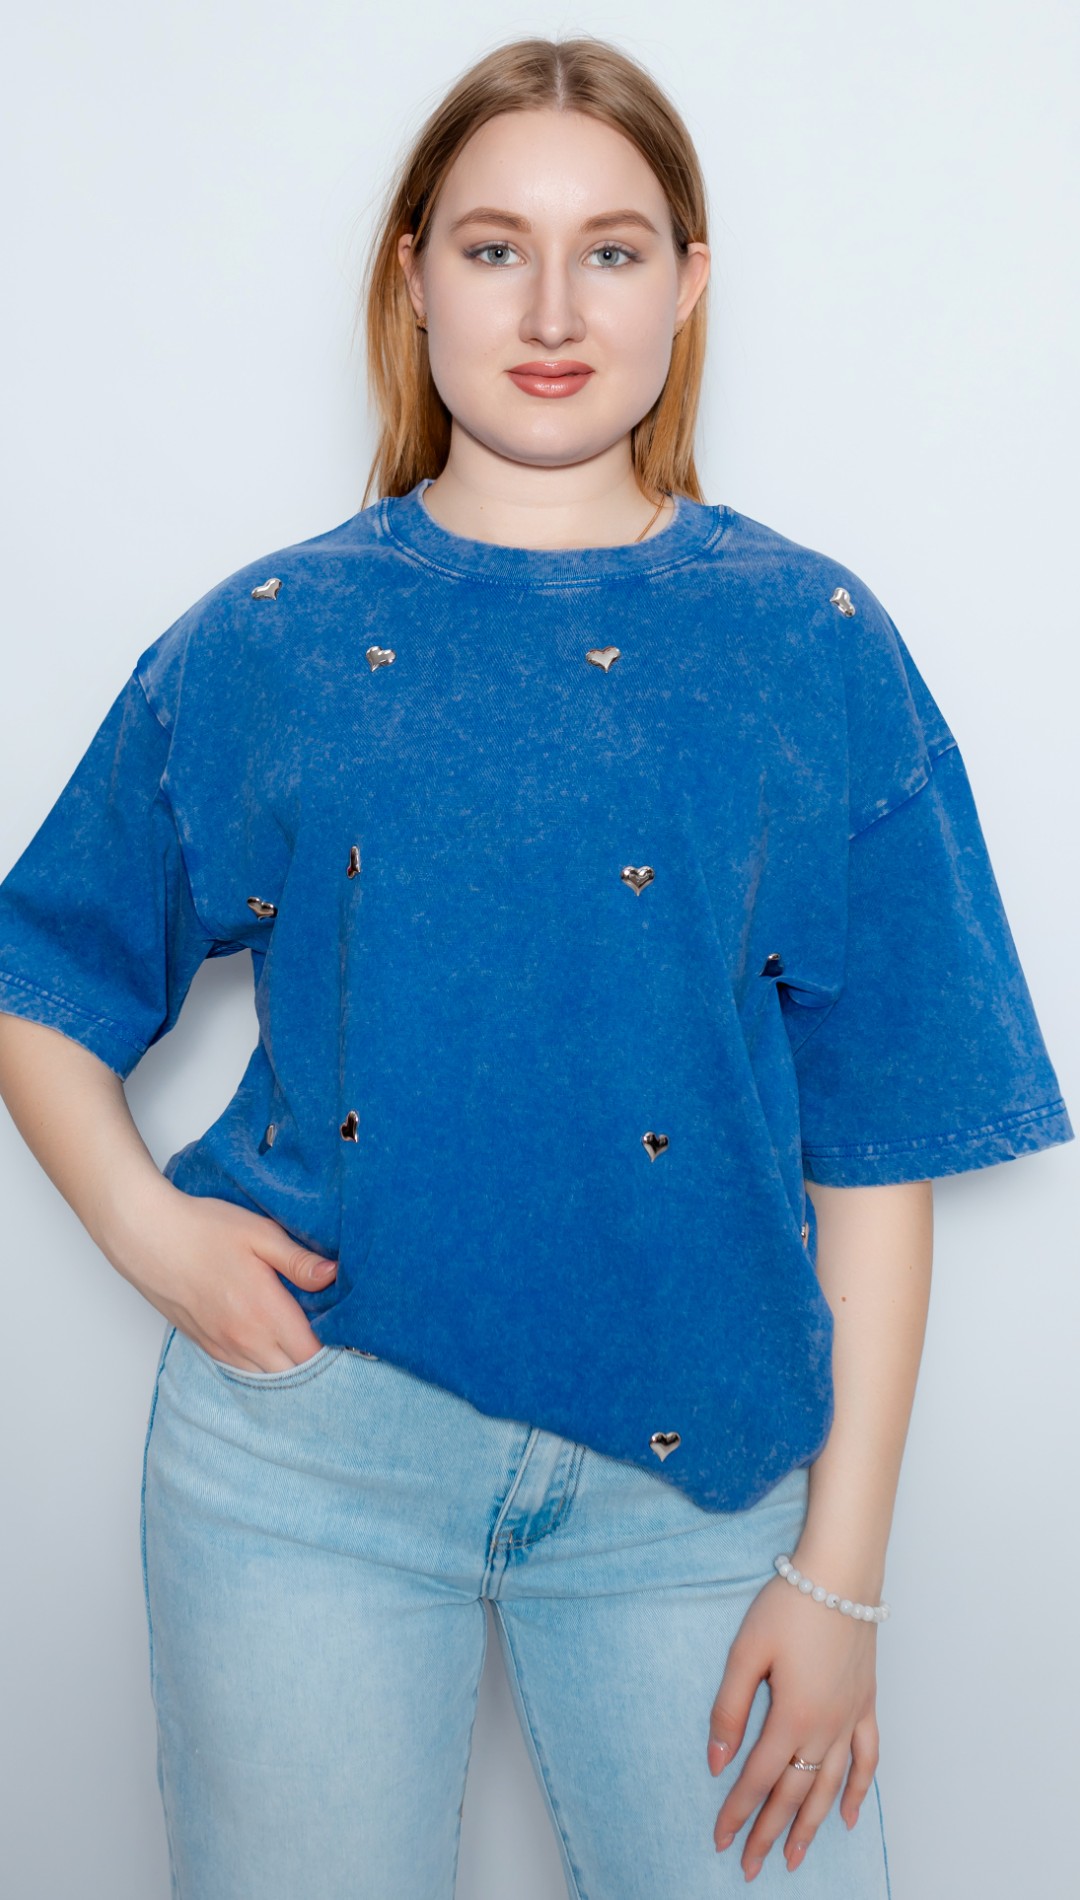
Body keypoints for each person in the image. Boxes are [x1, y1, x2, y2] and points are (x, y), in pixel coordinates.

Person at [0, 33, 1071, 1900]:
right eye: (495, 248)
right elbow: (44, 967)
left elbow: (880, 1145)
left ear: (690, 283)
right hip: (305, 1470)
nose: (555, 309)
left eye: (613, 250)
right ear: (413, 275)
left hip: (704, 1483)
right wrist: (145, 1228)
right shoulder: (276, 634)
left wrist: (840, 1579)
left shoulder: (813, 641)